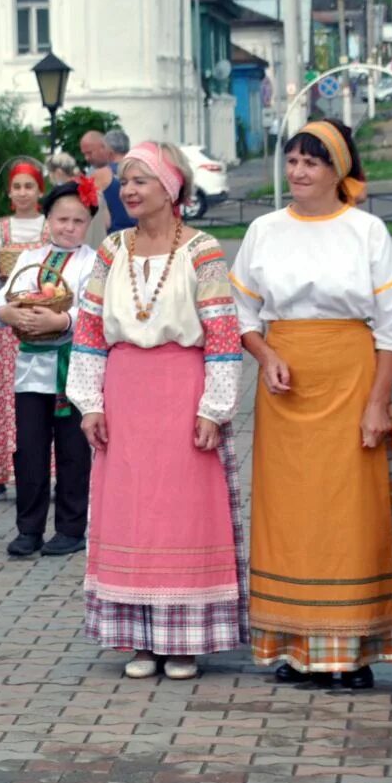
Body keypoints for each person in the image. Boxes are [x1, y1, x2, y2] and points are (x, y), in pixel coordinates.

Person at [230, 120, 392, 690]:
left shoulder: (367, 231)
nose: (298, 172)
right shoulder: (264, 229)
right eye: (292, 161)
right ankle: (294, 643)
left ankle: (351, 651)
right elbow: (241, 314)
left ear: (338, 171)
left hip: (351, 380)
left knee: (349, 515)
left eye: (312, 162)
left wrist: (378, 403)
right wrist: (265, 354)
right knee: (289, 515)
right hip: (286, 386)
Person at [69, 142, 247, 682]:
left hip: (181, 389)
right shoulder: (111, 250)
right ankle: (139, 638)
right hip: (125, 390)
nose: (129, 190)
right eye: (125, 181)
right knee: (130, 513)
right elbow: (89, 327)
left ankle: (184, 641)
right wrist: (89, 402)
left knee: (181, 513)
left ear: (171, 188)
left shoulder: (202, 250)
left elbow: (221, 332)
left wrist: (214, 408)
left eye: (141, 180)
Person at [0, 178, 99, 558]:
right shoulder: (28, 259)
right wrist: (5, 312)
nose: (68, 227)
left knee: (73, 450)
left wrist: (63, 322)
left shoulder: (93, 262)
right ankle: (29, 528)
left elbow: (95, 310)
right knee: (30, 450)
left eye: (78, 221)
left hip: (75, 370)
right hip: (31, 371)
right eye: (61, 219)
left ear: (89, 224)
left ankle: (71, 527)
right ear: (46, 219)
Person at [0, 159, 49, 506]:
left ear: (40, 191)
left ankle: (50, 472)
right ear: (8, 192)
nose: (22, 193)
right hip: (9, 324)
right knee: (5, 399)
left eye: (29, 186)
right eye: (17, 187)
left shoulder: (50, 227)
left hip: (44, 318)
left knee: (46, 395)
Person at [81, 129, 132, 234]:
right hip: (140, 235)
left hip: (115, 237)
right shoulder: (141, 173)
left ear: (108, 151)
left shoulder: (101, 174)